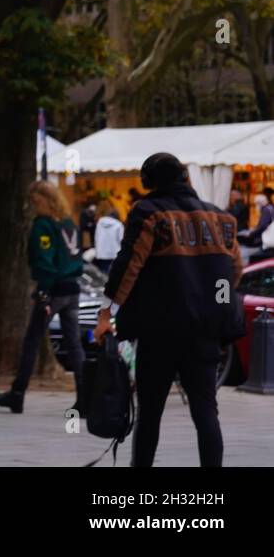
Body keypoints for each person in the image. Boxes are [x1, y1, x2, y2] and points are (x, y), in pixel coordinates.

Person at [93, 153, 243, 468]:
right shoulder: (222, 219)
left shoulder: (149, 214)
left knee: (150, 411)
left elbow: (127, 266)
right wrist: (210, 298)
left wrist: (106, 315)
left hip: (159, 331)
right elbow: (233, 272)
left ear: (148, 182)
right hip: (205, 330)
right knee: (205, 411)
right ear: (184, 178)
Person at [0, 180, 86, 414]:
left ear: (42, 200)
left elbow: (44, 259)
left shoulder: (43, 225)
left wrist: (43, 289)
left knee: (32, 341)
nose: (32, 206)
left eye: (34, 201)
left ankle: (18, 393)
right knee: (74, 344)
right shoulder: (68, 223)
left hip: (53, 290)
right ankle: (85, 396)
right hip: (72, 288)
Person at [92, 199, 123, 274]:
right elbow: (121, 240)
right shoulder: (118, 224)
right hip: (115, 254)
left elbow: (97, 238)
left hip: (102, 254)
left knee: (103, 277)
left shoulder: (99, 223)